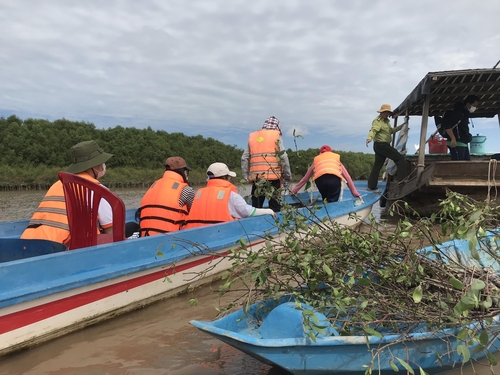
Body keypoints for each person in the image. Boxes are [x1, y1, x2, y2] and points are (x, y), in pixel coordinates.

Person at [21, 140, 114, 245]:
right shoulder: (98, 190)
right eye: (101, 162)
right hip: (63, 247)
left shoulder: (58, 183)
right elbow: (111, 231)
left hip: (28, 243)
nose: (103, 165)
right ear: (94, 166)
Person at [183, 162, 275, 229]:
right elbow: (248, 212)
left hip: (193, 235)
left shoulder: (199, 193)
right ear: (225, 177)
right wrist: (269, 211)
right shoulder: (231, 195)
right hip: (220, 233)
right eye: (229, 177)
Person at [241, 116, 292, 212]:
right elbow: (284, 156)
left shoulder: (253, 136)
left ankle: (255, 224)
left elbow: (244, 158)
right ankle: (276, 224)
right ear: (278, 127)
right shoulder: (276, 135)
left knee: (256, 206)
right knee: (275, 205)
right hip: (273, 177)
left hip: (257, 178)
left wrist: (245, 176)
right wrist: (287, 175)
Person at [138, 156, 195, 236]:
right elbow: (196, 211)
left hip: (145, 236)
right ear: (183, 172)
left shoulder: (154, 185)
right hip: (170, 239)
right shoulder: (186, 190)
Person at [291, 145, 362, 202]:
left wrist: (294, 191)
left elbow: (305, 179)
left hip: (320, 182)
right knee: (332, 202)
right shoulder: (335, 159)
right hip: (333, 181)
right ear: (330, 152)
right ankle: (333, 217)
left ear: (320, 153)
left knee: (326, 200)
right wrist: (355, 193)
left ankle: (325, 215)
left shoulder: (317, 160)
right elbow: (347, 177)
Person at [366, 104, 407, 190]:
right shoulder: (378, 121)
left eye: (388, 112)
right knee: (400, 158)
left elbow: (391, 131)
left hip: (383, 146)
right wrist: (369, 138)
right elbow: (373, 130)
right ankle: (401, 181)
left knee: (377, 166)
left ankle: (371, 186)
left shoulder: (387, 122)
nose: (386, 114)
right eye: (385, 112)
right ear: (381, 112)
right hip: (381, 145)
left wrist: (402, 126)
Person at [444, 95, 479, 161]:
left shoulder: (464, 114)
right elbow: (447, 125)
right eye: (474, 106)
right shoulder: (458, 112)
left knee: (466, 166)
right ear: (468, 104)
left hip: (463, 144)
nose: (475, 108)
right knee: (458, 166)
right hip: (457, 144)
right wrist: (453, 139)